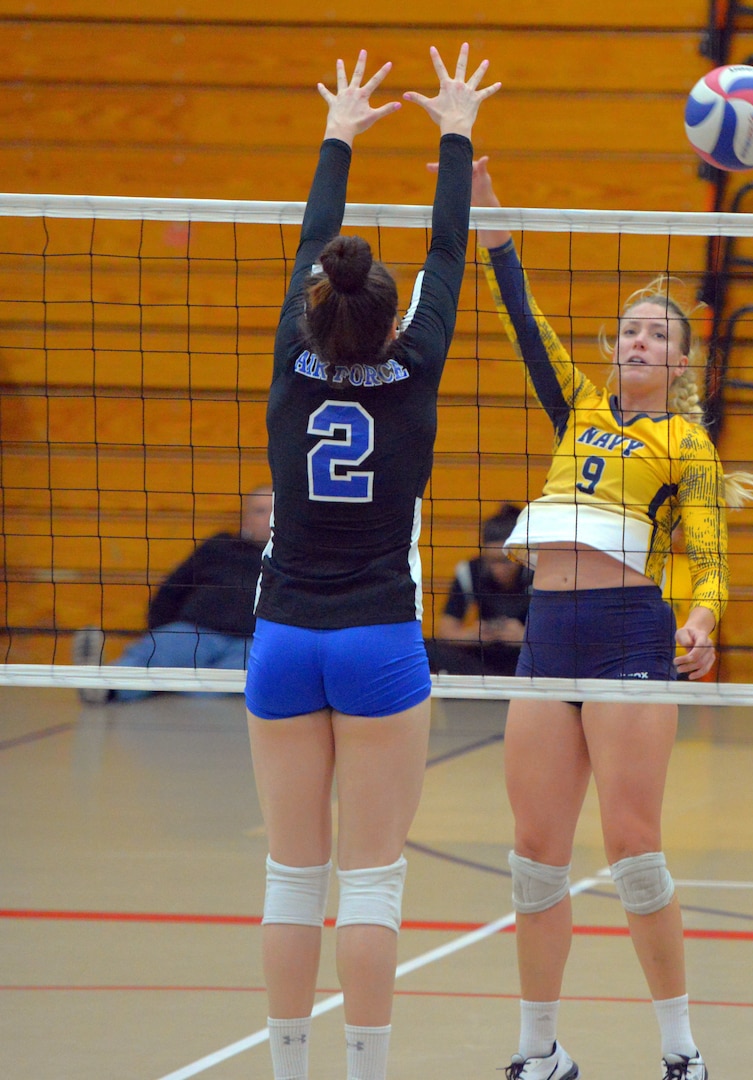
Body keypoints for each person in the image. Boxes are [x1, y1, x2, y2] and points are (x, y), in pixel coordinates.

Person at [467, 157, 753, 1080]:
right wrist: (493, 222)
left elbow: (709, 553)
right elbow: (525, 322)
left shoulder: (689, 445)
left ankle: (680, 1050)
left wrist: (703, 619)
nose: (637, 342)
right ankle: (537, 1052)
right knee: (534, 856)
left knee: (634, 853)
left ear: (680, 362)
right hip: (549, 640)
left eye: (655, 335)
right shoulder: (578, 409)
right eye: (629, 330)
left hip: (631, 638)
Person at [243, 46, 496, 1080]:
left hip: (283, 639)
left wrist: (339, 129)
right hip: (380, 640)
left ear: (312, 309)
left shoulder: (288, 371)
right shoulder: (418, 365)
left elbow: (316, 239)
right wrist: (455, 132)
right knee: (374, 882)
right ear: (393, 322)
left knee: (290, 879)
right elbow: (447, 246)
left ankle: (289, 1072)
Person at [72, 483, 272, 703]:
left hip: (253, 641)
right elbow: (173, 588)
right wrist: (160, 630)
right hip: (197, 632)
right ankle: (103, 686)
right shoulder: (219, 546)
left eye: (275, 510)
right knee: (159, 651)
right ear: (246, 519)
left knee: (249, 675)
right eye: (261, 510)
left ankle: (177, 684)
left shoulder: (289, 560)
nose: (269, 518)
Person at [427, 503, 532, 676]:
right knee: (425, 649)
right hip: (484, 655)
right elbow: (446, 630)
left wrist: (524, 637)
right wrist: (472, 635)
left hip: (524, 656)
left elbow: (556, 639)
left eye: (505, 561)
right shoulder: (470, 570)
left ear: (520, 555)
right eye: (491, 561)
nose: (498, 569)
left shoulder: (537, 572)